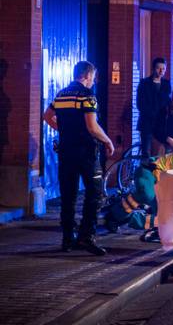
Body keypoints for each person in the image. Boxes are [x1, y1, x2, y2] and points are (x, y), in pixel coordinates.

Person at [42, 61, 114, 255]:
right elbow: (92, 127)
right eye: (93, 77)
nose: (93, 81)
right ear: (87, 75)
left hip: (66, 151)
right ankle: (86, 236)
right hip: (86, 152)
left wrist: (65, 130)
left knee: (68, 195)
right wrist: (107, 141)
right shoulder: (87, 95)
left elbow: (47, 116)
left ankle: (67, 238)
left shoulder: (61, 94)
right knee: (95, 193)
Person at [137, 57, 171, 156]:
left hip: (161, 123)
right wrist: (152, 114)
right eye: (158, 68)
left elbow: (167, 102)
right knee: (146, 153)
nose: (161, 71)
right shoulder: (144, 83)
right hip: (147, 122)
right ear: (153, 68)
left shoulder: (166, 84)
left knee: (160, 153)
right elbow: (140, 104)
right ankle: (145, 171)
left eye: (163, 69)